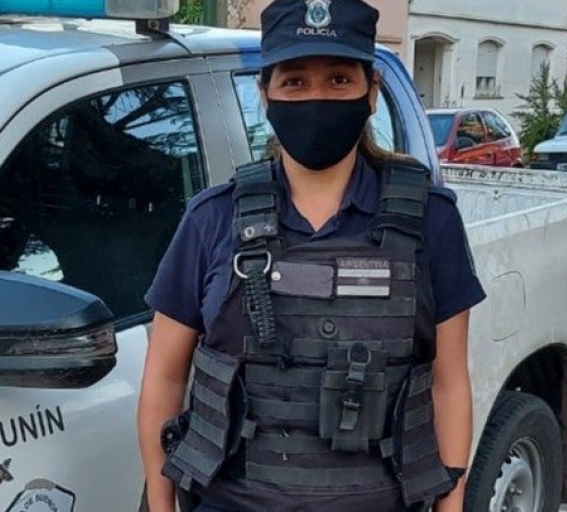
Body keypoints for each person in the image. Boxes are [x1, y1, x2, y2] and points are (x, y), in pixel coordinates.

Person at [137, 1, 486, 511]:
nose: (316, 98)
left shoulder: (431, 221)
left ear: (371, 92)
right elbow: (165, 379)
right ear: (265, 95)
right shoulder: (212, 219)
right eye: (295, 82)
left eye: (339, 80)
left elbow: (449, 384)